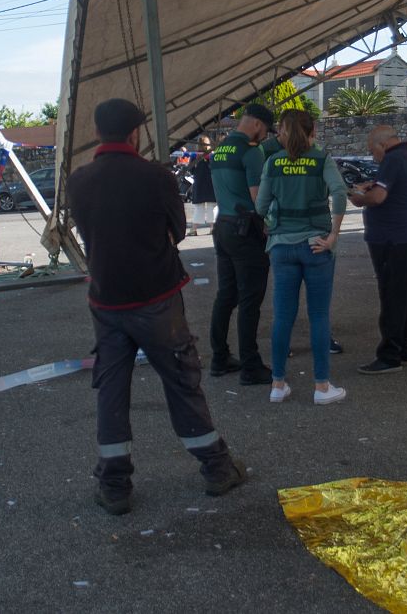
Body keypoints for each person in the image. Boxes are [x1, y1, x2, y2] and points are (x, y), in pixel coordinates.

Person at [65, 98, 246, 516]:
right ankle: (217, 468)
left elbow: (88, 232)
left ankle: (114, 486)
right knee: (181, 381)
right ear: (136, 134)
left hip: (106, 301)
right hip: (158, 299)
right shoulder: (157, 177)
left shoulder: (79, 181)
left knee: (111, 390)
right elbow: (177, 232)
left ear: (97, 133)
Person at [256, 109, 348, 406]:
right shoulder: (321, 159)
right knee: (319, 316)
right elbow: (339, 193)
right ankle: (322, 387)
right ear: (313, 132)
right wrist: (333, 234)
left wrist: (272, 224)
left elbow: (260, 206)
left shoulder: (273, 162)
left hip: (281, 247)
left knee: (283, 316)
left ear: (282, 132)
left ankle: (278, 384)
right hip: (316, 245)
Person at [348, 125, 407, 374]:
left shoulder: (393, 160)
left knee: (392, 295)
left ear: (382, 145)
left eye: (373, 151)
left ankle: (389, 355)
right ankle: (406, 348)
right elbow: (392, 191)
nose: (373, 156)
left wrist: (358, 197)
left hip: (391, 238)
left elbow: (379, 198)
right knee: (403, 294)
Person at [207, 103, 277, 384]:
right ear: (258, 125)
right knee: (250, 300)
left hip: (222, 225)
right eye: (265, 131)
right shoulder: (251, 151)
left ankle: (219, 357)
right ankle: (250, 366)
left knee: (226, 295)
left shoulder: (219, 150)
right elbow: (259, 200)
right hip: (246, 229)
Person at [188, 137, 216, 237]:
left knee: (198, 208)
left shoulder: (194, 155)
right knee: (211, 207)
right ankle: (213, 228)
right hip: (211, 183)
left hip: (199, 183)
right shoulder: (212, 155)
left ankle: (193, 229)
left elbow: (190, 170)